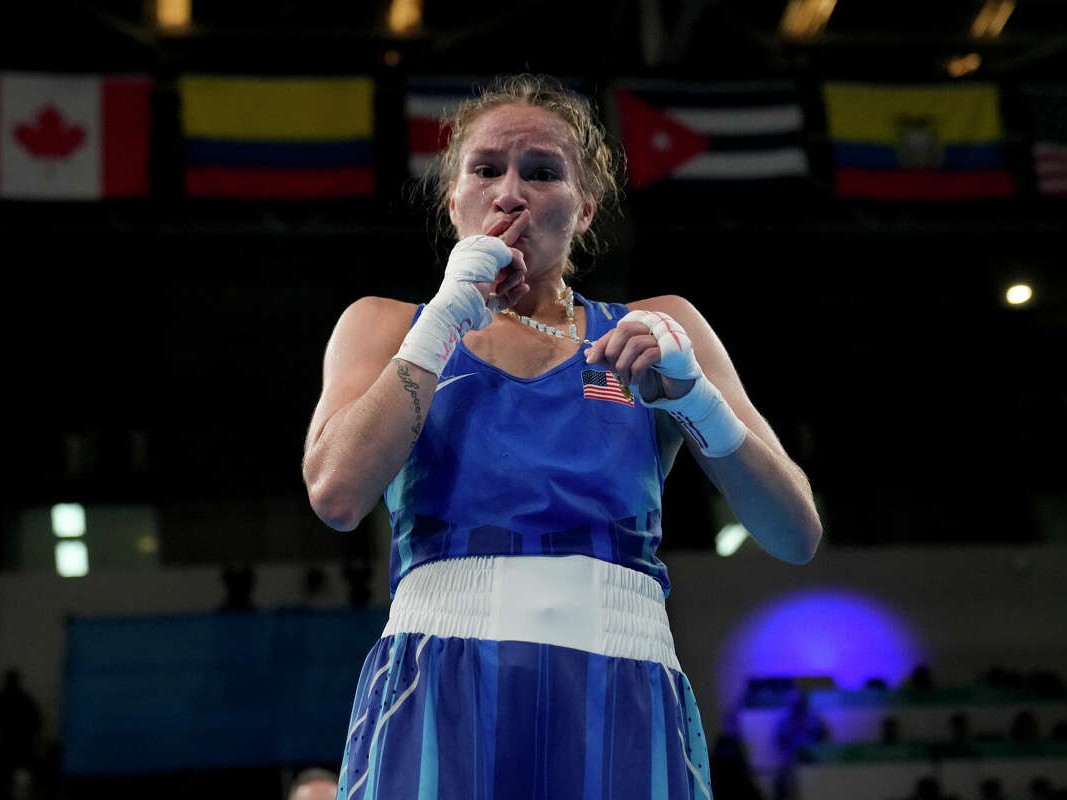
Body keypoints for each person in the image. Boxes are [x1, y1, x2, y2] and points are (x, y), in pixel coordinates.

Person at [302, 73, 822, 799]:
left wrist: (696, 400)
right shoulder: (386, 325)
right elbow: (335, 493)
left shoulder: (656, 329)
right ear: (454, 198)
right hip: (440, 680)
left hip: (624, 676)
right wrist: (445, 317)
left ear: (585, 210)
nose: (509, 193)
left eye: (541, 172)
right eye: (486, 170)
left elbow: (796, 532)